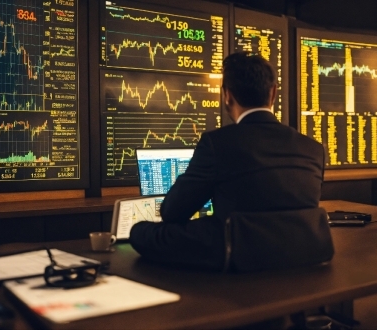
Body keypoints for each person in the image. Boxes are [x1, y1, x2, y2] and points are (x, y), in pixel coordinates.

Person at [129, 52, 325, 270]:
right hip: (302, 255)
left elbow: (172, 212)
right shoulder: (313, 149)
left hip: (237, 254)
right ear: (273, 93)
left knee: (140, 232)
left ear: (227, 95)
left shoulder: (217, 143)